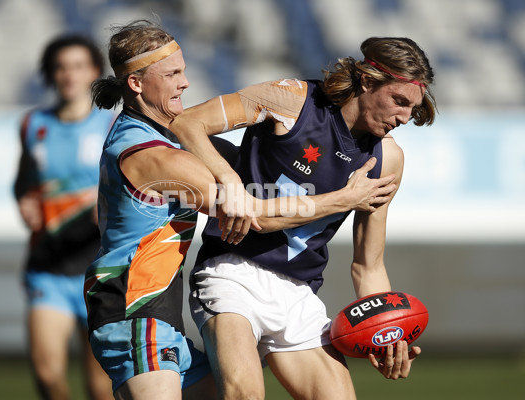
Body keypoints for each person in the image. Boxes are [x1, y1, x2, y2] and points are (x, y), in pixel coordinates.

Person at [84, 20, 396, 400]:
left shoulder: (158, 134)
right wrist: (344, 199)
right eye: (173, 74)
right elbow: (255, 216)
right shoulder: (149, 155)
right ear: (136, 83)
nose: (185, 82)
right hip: (132, 308)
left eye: (183, 71)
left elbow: (242, 171)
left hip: (160, 313)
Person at [169, 37, 436, 399]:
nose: (405, 117)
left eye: (412, 108)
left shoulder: (388, 160)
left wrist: (388, 332)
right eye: (399, 101)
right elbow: (186, 122)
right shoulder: (291, 99)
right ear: (368, 81)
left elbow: (368, 266)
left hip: (298, 293)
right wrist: (229, 181)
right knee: (245, 395)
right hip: (230, 271)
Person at [14, 34, 114, 400]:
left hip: (99, 269)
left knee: (100, 385)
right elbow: (22, 183)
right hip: (48, 266)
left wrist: (103, 205)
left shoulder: (111, 127)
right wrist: (24, 199)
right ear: (50, 74)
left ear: (94, 73)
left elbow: (133, 192)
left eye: (78, 66)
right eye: (60, 67)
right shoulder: (33, 125)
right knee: (46, 373)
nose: (69, 74)